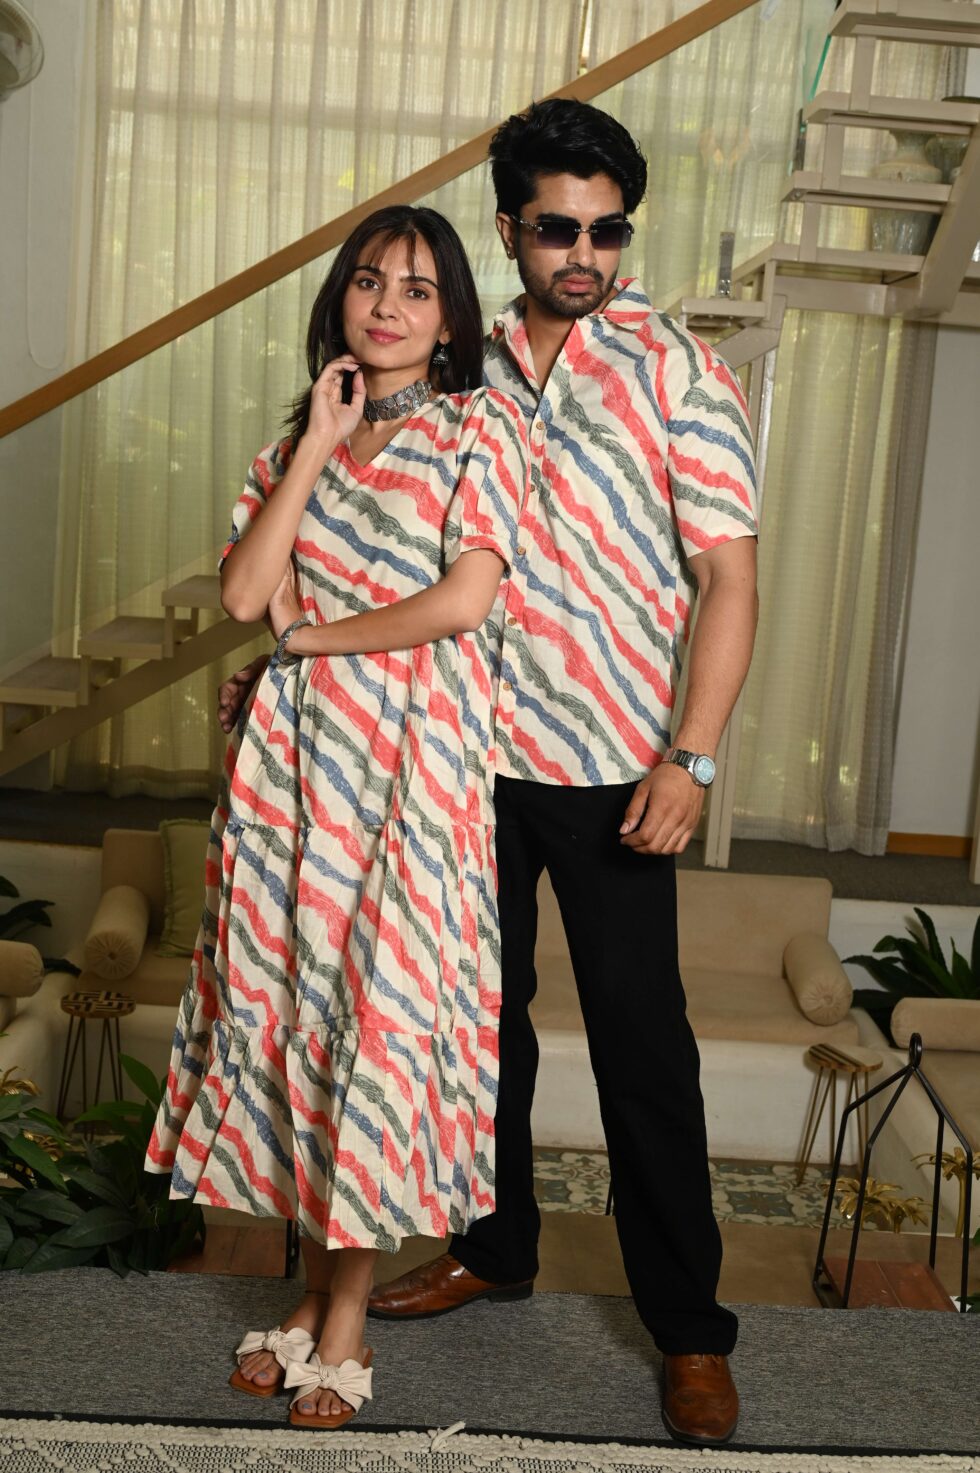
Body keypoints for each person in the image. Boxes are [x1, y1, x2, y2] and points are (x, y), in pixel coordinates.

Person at [218, 100, 759, 1447]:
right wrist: (286, 674)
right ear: (510, 228)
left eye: (609, 230)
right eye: (558, 228)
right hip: (445, 759)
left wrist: (691, 755)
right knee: (473, 1025)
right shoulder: (456, 364)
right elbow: (359, 538)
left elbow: (728, 579)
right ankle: (495, 1245)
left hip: (611, 762)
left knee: (641, 1043)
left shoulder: (678, 371)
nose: (586, 252)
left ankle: (689, 1331)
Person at [146, 204, 528, 1430]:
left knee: (372, 1023)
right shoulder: (294, 445)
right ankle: (311, 1299)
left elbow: (461, 602)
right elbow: (245, 593)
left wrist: (307, 644)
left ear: (452, 316)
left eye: (416, 289)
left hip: (410, 774)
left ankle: (346, 1314)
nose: (387, 306)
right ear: (339, 301)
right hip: (293, 779)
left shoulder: (481, 427)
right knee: (300, 1026)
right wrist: (316, 442)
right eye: (368, 282)